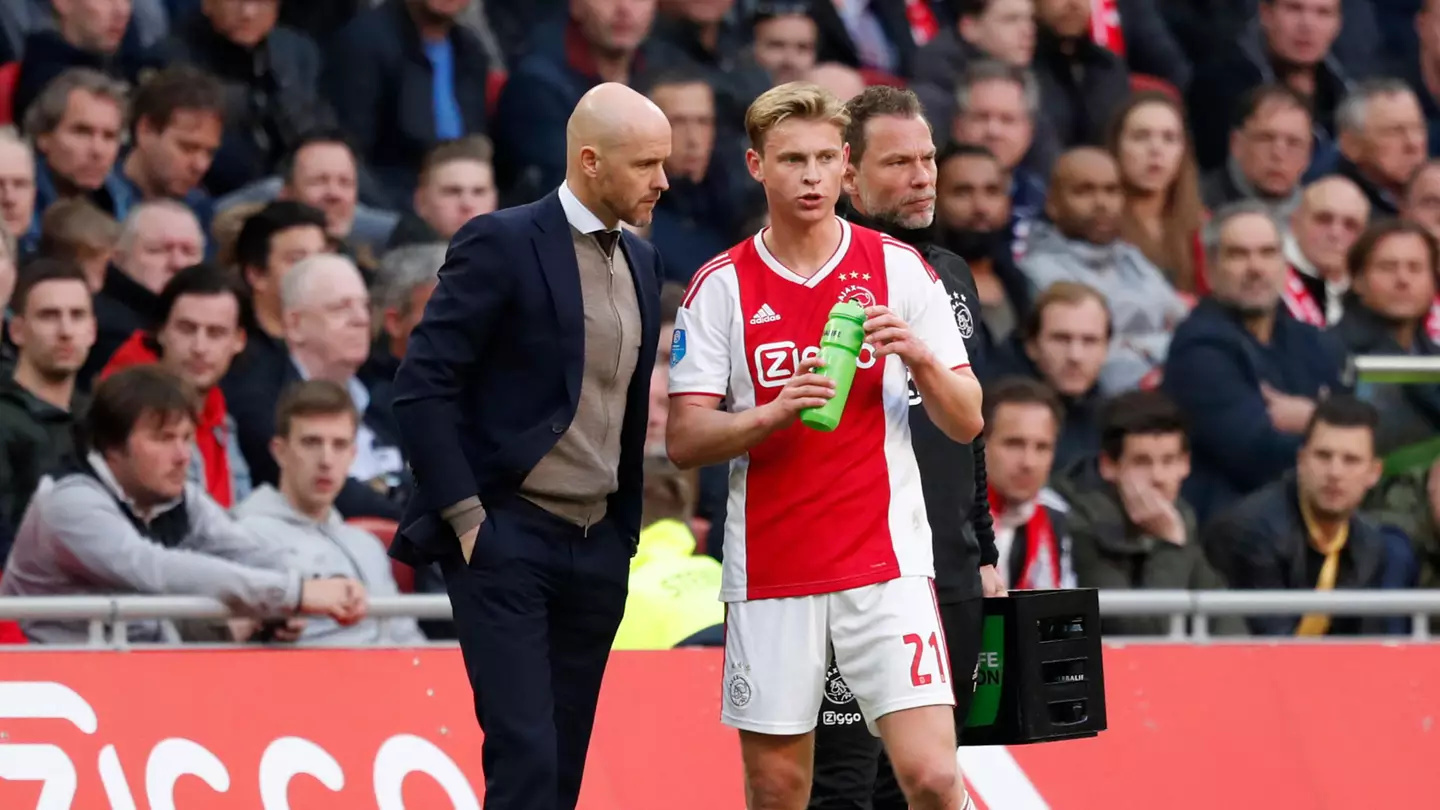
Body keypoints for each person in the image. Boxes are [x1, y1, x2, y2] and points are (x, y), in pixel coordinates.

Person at [667, 82, 983, 810]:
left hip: (886, 565)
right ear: (756, 166)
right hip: (774, 570)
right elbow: (684, 440)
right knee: (780, 792)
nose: (810, 177)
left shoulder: (900, 269)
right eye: (790, 160)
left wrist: (923, 359)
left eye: (822, 160)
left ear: (846, 165)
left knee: (934, 776)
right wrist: (774, 413)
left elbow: (967, 420)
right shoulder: (719, 287)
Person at [390, 83, 668, 810]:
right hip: (507, 534)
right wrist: (466, 518)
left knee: (564, 764)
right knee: (526, 759)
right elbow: (422, 386)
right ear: (590, 161)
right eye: (646, 165)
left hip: (597, 545)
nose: (663, 182)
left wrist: (622, 536)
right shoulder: (502, 241)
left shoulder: (642, 261)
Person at [810, 85, 1005, 810]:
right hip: (851, 565)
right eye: (900, 163)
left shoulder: (951, 275)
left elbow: (970, 421)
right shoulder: (812, 272)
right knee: (839, 784)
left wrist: (982, 548)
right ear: (848, 176)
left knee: (922, 781)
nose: (923, 176)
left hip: (947, 567)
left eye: (928, 159)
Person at [0, 365, 367, 644]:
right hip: (53, 682)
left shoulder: (178, 495)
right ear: (112, 446)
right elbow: (154, 568)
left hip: (143, 667)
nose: (182, 456)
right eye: (163, 438)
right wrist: (294, 593)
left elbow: (245, 550)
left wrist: (312, 583)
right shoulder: (68, 501)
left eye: (187, 438)